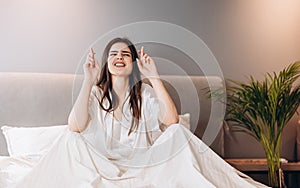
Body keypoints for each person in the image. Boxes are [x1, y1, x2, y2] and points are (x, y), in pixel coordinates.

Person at [14, 37, 267, 188]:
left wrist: (154, 77)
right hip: (100, 164)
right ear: (107, 64)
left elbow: (172, 121)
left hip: (144, 164)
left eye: (126, 54)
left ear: (133, 63)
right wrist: (88, 81)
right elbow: (75, 126)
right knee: (71, 138)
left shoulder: (145, 93)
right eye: (113, 54)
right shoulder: (95, 94)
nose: (119, 57)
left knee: (178, 131)